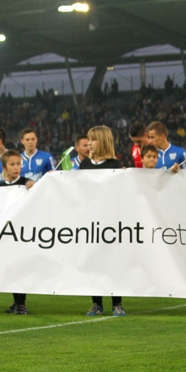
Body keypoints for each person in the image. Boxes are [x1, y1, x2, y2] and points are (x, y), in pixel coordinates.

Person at [80, 126, 128, 317]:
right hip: (91, 222)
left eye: (93, 140)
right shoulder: (84, 165)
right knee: (94, 263)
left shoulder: (115, 165)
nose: (89, 143)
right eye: (88, 140)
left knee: (113, 262)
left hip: (111, 221)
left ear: (103, 141)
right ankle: (96, 304)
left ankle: (117, 303)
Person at [0, 150, 33, 314]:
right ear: (5, 167)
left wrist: (32, 186)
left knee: (20, 267)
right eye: (12, 164)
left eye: (18, 164)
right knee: (10, 268)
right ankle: (16, 301)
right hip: (7, 233)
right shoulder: (0, 187)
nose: (16, 167)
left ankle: (22, 303)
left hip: (23, 232)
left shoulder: (27, 183)